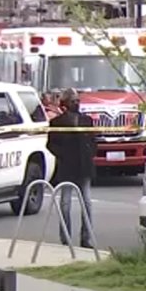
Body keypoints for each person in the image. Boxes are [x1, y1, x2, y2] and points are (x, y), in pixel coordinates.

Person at [46, 88, 97, 248]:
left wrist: (90, 153)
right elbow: (51, 144)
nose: (76, 103)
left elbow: (93, 140)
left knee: (87, 203)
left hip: (84, 166)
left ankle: (86, 238)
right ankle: (65, 238)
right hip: (67, 167)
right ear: (65, 103)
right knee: (65, 204)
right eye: (73, 101)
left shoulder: (87, 120)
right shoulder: (57, 122)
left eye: (77, 101)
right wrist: (63, 155)